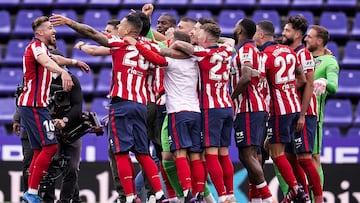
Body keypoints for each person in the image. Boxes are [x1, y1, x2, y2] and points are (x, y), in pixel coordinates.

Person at [50, 13, 166, 203]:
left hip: (121, 103)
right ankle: (159, 194)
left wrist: (70, 22)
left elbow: (92, 34)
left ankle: (129, 197)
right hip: (142, 104)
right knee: (143, 152)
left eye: (121, 24)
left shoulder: (120, 42)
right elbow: (163, 61)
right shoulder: (151, 46)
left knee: (120, 152)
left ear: (129, 30)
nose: (118, 27)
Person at [17, 16, 74, 203]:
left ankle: (30, 193)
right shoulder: (36, 47)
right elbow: (47, 62)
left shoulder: (40, 48)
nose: (54, 31)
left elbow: (54, 58)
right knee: (50, 146)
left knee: (37, 151)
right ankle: (31, 193)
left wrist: (73, 63)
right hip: (34, 106)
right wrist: (63, 71)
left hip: (33, 106)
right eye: (50, 28)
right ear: (39, 33)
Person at [252, 20, 307, 203]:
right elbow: (301, 77)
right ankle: (297, 189)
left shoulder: (265, 55)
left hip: (279, 110)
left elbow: (258, 84)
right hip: (293, 106)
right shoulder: (289, 51)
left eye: (255, 34)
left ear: (260, 35)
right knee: (272, 147)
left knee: (277, 153)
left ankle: (295, 190)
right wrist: (287, 88)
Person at [280, 15, 323, 203]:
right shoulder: (287, 53)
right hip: (290, 112)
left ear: (297, 34)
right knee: (290, 157)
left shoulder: (303, 54)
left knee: (305, 157)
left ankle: (319, 200)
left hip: (303, 113)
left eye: (287, 30)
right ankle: (303, 197)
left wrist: (303, 114)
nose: (283, 33)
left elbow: (309, 85)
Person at [230, 18, 273, 203]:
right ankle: (257, 200)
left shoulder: (247, 50)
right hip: (256, 107)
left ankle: (268, 197)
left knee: (246, 155)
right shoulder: (253, 50)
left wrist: (230, 97)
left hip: (249, 108)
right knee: (253, 155)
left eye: (235, 25)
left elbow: (246, 77)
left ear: (240, 29)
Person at [304, 25, 339, 195]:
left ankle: (315, 198)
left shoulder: (330, 61)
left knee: (313, 158)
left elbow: (333, 86)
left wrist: (325, 81)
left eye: (309, 37)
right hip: (293, 114)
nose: (305, 39)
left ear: (319, 41)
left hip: (313, 116)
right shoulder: (301, 56)